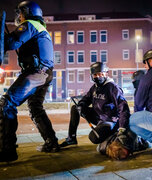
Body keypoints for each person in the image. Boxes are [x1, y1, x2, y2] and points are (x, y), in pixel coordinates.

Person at [0, 1, 59, 162]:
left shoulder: (30, 24)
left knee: (7, 103)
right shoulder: (41, 28)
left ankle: (8, 150)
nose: (18, 17)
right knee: (35, 108)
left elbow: (12, 43)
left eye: (20, 13)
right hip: (45, 73)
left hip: (36, 72)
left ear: (26, 12)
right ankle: (52, 142)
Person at [60, 62, 130, 147]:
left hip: (109, 120)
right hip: (98, 117)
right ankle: (71, 138)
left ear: (106, 74)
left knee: (94, 137)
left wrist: (122, 128)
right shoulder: (95, 87)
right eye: (95, 75)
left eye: (100, 74)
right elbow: (86, 98)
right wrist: (81, 104)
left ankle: (113, 134)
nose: (98, 77)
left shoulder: (113, 88)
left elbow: (123, 108)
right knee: (75, 108)